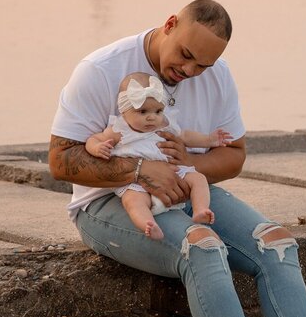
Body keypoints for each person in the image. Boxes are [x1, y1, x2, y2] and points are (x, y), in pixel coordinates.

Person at [49, 0, 306, 317]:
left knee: (277, 242)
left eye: (202, 66)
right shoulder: (100, 69)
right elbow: (60, 160)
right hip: (108, 201)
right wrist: (141, 168)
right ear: (170, 24)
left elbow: (234, 155)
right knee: (202, 246)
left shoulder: (217, 75)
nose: (189, 72)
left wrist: (184, 165)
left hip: (187, 188)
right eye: (186, 56)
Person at [85, 70, 232, 240]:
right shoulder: (119, 129)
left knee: (198, 178)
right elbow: (94, 139)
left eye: (158, 111)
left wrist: (209, 140)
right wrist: (97, 147)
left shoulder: (164, 124)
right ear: (124, 111)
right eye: (143, 112)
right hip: (136, 181)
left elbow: (185, 136)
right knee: (133, 201)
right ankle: (148, 224)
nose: (151, 118)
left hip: (172, 172)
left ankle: (200, 210)